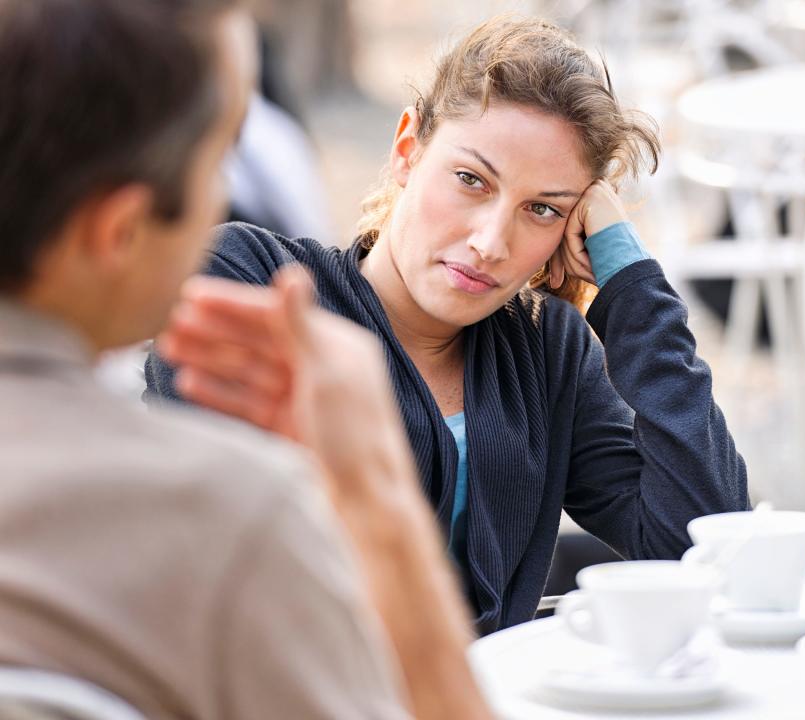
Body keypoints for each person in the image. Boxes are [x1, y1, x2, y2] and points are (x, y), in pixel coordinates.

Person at [147, 15, 752, 635]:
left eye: (541, 209)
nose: (490, 241)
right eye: (471, 180)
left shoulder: (547, 352)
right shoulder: (251, 279)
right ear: (408, 148)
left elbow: (706, 546)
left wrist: (630, 288)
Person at [0, 1, 492, 718]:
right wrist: (376, 494)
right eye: (220, 153)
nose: (226, 195)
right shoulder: (235, 520)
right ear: (121, 229)